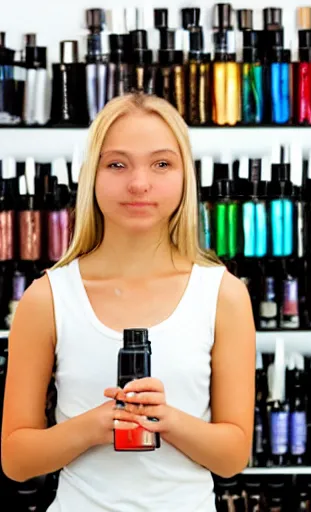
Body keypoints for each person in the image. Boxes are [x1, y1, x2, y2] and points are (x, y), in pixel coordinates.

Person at [1, 93, 256, 511]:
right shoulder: (47, 297)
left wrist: (166, 420)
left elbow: (232, 457)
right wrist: (95, 425)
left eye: (161, 163)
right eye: (117, 164)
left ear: (184, 176)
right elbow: (16, 459)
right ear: (92, 176)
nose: (139, 183)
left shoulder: (222, 294)